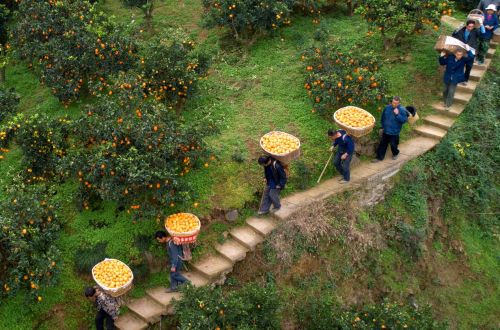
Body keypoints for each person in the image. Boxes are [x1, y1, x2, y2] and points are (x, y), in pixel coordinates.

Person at [372, 96, 408, 162]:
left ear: (399, 103)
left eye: (396, 103)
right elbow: (383, 117)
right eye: (393, 102)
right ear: (392, 101)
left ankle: (395, 153)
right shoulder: (387, 108)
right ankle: (379, 157)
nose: (394, 104)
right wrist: (382, 126)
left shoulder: (402, 110)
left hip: (394, 132)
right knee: (382, 144)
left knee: (393, 145)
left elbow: (404, 120)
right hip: (386, 130)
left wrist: (397, 114)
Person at [452, 19, 485, 85]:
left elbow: (483, 35)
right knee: (460, 65)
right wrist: (457, 29)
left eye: (472, 26)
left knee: (469, 67)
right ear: (466, 25)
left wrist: (481, 25)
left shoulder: (475, 31)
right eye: (469, 26)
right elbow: (454, 35)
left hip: (471, 52)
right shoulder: (461, 30)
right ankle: (459, 79)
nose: (470, 28)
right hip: (462, 51)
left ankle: (465, 80)